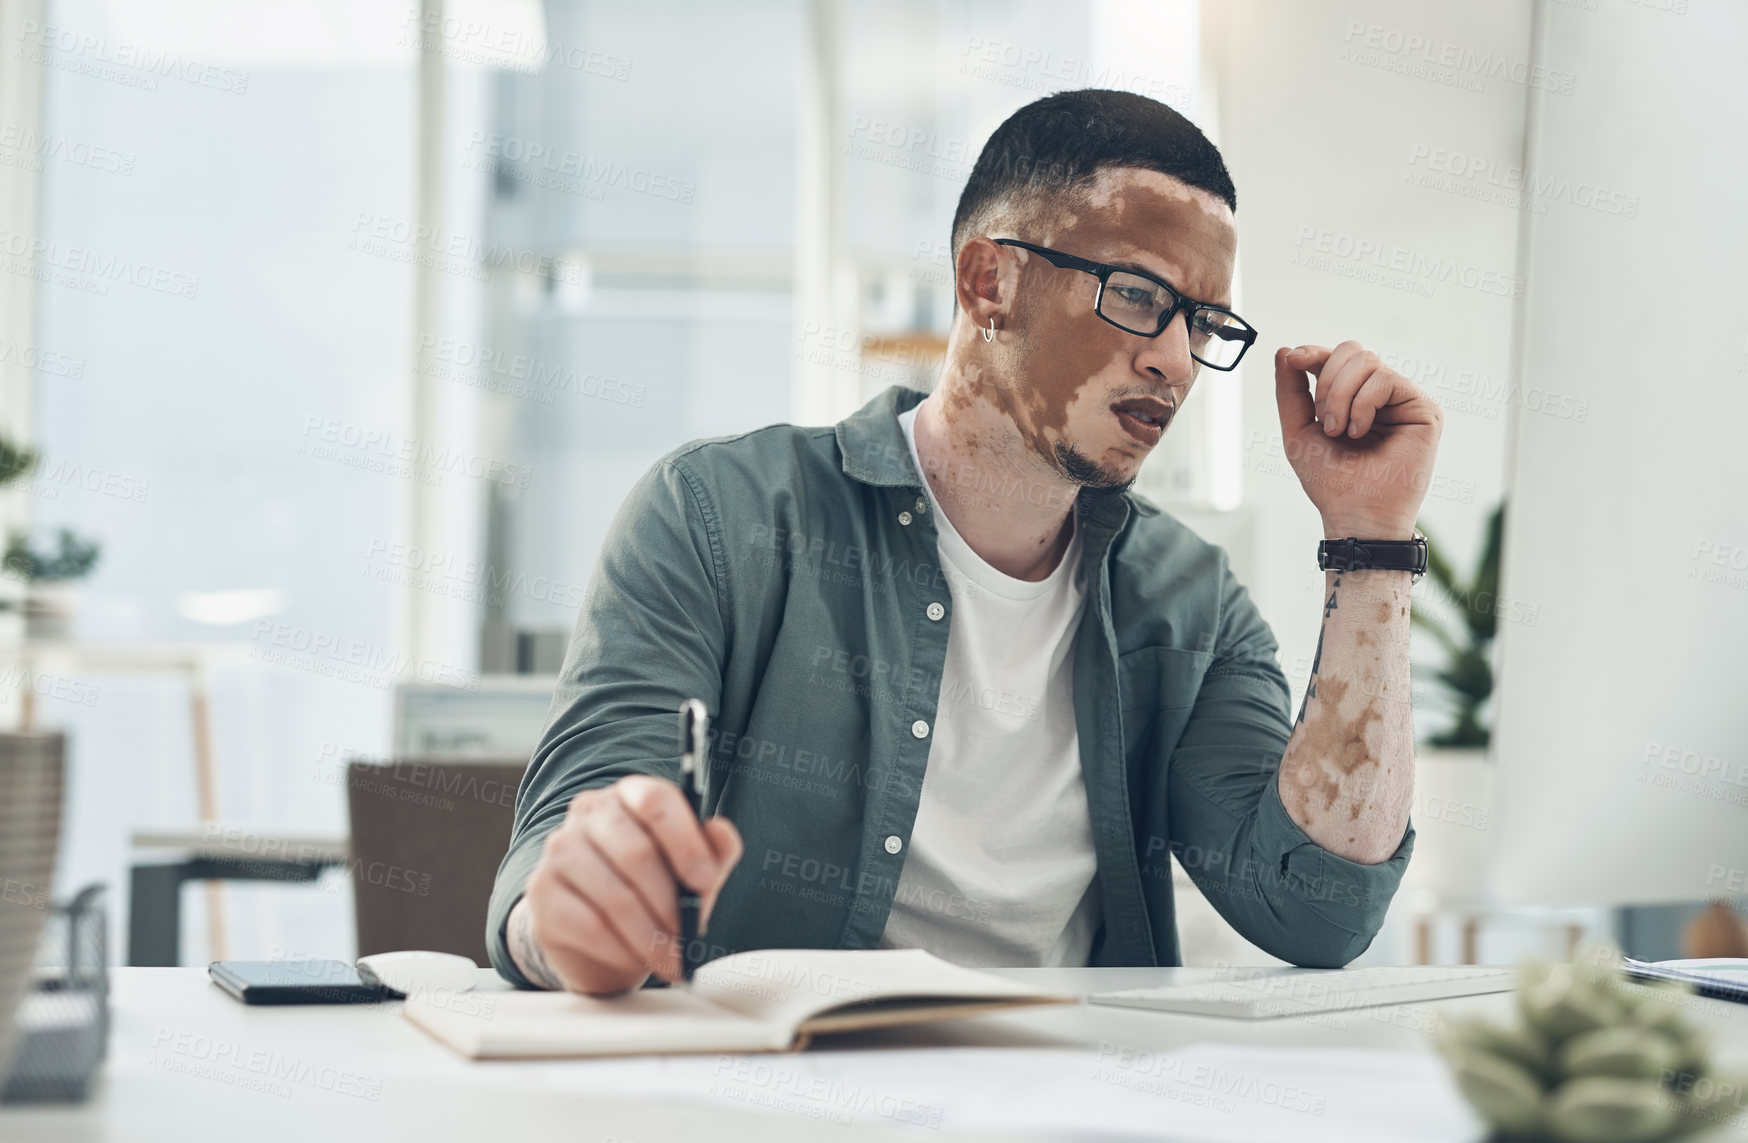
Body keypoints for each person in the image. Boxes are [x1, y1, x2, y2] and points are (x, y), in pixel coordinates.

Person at [488, 88, 1442, 994]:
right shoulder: (718, 516)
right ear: (990, 282)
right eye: (1141, 297)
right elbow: (565, 839)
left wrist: (1371, 540)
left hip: (1068, 1100)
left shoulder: (1191, 600)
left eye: (1203, 322)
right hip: (775, 1096)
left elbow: (1317, 910)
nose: (1175, 358)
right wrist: (564, 918)